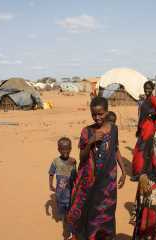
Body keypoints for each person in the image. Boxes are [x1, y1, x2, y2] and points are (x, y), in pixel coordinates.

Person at [68, 97, 125, 240]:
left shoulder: (113, 129)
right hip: (90, 181)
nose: (97, 117)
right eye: (94, 114)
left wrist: (124, 171)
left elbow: (116, 149)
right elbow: (82, 157)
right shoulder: (86, 131)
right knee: (89, 211)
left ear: (107, 111)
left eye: (101, 113)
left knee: (107, 211)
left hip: (108, 182)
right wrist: (90, 142)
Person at [132, 81, 156, 180]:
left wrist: (153, 114)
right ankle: (145, 172)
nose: (147, 90)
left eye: (149, 88)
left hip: (149, 127)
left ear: (152, 89)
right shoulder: (146, 99)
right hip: (143, 127)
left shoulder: (152, 99)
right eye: (145, 88)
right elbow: (142, 115)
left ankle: (141, 173)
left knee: (143, 150)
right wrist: (138, 128)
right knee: (146, 150)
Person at [48, 137, 77, 239]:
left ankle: (71, 233)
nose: (65, 151)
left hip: (70, 194)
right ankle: (66, 224)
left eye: (67, 149)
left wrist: (77, 188)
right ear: (59, 149)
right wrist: (51, 185)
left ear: (71, 148)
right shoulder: (55, 162)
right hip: (60, 195)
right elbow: (51, 173)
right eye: (63, 149)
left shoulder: (73, 162)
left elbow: (75, 176)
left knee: (71, 214)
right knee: (63, 214)